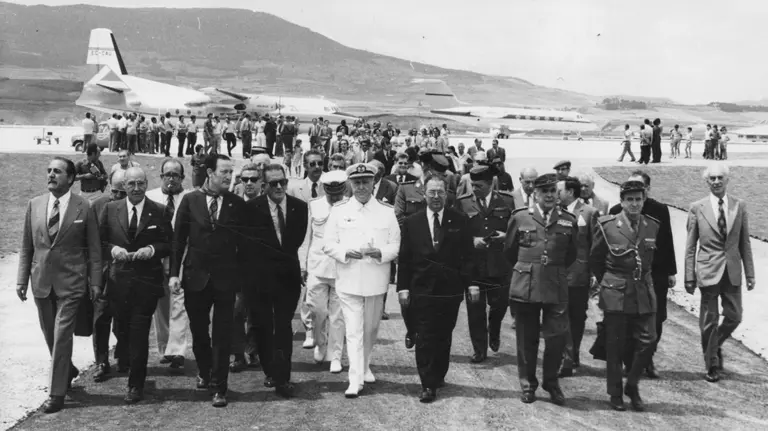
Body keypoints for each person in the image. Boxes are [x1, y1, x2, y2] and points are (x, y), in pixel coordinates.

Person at [16, 157, 103, 413]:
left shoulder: (84, 207)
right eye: (49, 171)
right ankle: (68, 368)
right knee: (50, 335)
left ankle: (57, 394)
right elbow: (26, 247)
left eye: (57, 171)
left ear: (71, 178)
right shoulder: (34, 205)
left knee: (62, 335)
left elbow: (95, 249)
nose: (51, 175)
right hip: (41, 281)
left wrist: (95, 282)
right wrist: (22, 279)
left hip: (71, 283)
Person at [169, 154, 248, 407]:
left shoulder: (237, 203)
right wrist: (173, 274)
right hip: (195, 278)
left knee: (222, 333)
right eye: (224, 171)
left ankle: (219, 387)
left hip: (226, 280)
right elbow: (178, 240)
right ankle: (205, 371)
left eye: (230, 172)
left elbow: (244, 246)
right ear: (210, 173)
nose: (229, 176)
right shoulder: (190, 200)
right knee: (200, 332)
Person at [323, 162, 400, 398]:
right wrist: (345, 253)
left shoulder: (386, 211)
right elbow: (328, 244)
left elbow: (395, 245)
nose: (361, 187)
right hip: (349, 279)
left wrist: (381, 253)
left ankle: (365, 365)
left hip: (376, 279)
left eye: (366, 182)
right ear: (350, 184)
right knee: (354, 331)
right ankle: (354, 380)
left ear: (373, 183)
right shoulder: (339, 210)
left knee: (371, 329)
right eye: (356, 183)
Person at [397, 174, 476, 403]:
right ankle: (427, 384)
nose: (436, 197)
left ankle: (439, 374)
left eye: (440, 192)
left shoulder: (459, 220)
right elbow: (405, 258)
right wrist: (403, 288)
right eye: (431, 192)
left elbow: (468, 257)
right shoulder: (412, 222)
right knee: (425, 336)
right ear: (424, 194)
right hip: (421, 289)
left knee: (444, 335)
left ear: (447, 194)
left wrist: (471, 284)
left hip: (449, 291)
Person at [98, 167, 172, 403]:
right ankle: (126, 358)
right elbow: (98, 242)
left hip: (146, 283)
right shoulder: (110, 210)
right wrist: (113, 250)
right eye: (132, 184)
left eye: (141, 183)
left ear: (146, 183)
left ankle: (135, 385)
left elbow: (168, 243)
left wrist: (151, 250)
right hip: (118, 282)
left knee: (139, 332)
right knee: (122, 330)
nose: (137, 188)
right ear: (124, 187)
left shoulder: (158, 211)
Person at [504, 173, 577, 406]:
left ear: (557, 194)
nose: (548, 195)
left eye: (552, 191)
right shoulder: (520, 217)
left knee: (556, 338)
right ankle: (527, 385)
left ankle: (551, 382)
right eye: (543, 191)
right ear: (535, 193)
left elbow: (571, 255)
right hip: (526, 285)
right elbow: (509, 252)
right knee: (527, 339)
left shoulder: (568, 220)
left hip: (555, 285)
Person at [590, 180, 660, 411]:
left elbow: (650, 262)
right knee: (615, 345)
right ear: (622, 201)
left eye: (638, 199)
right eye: (629, 199)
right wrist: (608, 284)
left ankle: (631, 384)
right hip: (616, 291)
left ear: (644, 200)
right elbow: (596, 259)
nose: (634, 204)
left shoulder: (652, 226)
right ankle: (615, 393)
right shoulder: (607, 225)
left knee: (649, 340)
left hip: (642, 291)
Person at [684, 164, 754, 383]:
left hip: (732, 271)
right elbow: (690, 246)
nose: (716, 181)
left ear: (727, 180)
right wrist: (689, 275)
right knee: (709, 321)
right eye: (712, 178)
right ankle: (712, 364)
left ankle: (714, 346)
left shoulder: (739, 206)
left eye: (720, 178)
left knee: (735, 316)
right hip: (707, 270)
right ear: (707, 182)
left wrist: (750, 273)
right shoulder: (697, 207)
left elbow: (745, 242)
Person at [246, 164, 308, 398]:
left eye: (283, 182)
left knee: (283, 327)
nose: (280, 187)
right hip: (260, 281)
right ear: (264, 185)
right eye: (273, 183)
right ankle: (269, 370)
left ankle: (283, 377)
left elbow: (295, 241)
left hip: (287, 280)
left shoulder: (300, 208)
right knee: (263, 327)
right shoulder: (252, 209)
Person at [607, 170, 676, 377]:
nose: (635, 198)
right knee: (628, 320)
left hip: (655, 273)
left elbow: (667, 241)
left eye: (639, 190)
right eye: (629, 190)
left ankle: (647, 359)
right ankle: (630, 360)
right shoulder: (616, 210)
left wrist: (671, 272)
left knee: (656, 319)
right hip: (627, 276)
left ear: (647, 190)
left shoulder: (660, 210)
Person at [454, 165, 515, 363]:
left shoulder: (507, 201)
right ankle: (479, 349)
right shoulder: (463, 202)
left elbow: (518, 229)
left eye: (479, 185)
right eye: (472, 185)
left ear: (491, 184)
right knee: (475, 309)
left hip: (500, 265)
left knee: (500, 305)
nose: (474, 188)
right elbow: (454, 232)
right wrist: (472, 241)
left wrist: (506, 237)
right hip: (474, 268)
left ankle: (495, 328)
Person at [299, 170, 349, 373]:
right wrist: (303, 265)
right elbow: (306, 238)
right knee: (317, 310)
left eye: (338, 193)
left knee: (338, 316)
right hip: (317, 268)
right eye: (331, 194)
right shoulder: (314, 205)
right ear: (325, 190)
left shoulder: (351, 207)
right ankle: (321, 342)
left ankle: (335, 355)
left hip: (341, 268)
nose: (335, 198)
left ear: (344, 190)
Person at [146, 159, 190, 370]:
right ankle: (165, 348)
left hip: (182, 259)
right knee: (161, 306)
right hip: (157, 258)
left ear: (182, 177)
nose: (171, 179)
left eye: (176, 175)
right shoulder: (150, 198)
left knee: (179, 305)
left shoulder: (190, 199)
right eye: (167, 175)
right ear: (161, 176)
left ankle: (178, 350)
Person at [556, 177, 599, 377]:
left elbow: (595, 246)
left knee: (577, 317)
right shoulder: (555, 211)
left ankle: (572, 354)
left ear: (570, 192)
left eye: (559, 190)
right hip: (557, 274)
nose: (556, 194)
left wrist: (593, 274)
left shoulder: (589, 213)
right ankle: (566, 357)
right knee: (559, 316)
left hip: (579, 275)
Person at [286, 150, 326, 349]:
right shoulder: (296, 188)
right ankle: (309, 329)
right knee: (307, 289)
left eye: (320, 163)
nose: (317, 167)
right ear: (305, 166)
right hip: (301, 242)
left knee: (321, 291)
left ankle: (321, 330)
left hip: (322, 244)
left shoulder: (330, 187)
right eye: (312, 164)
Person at [91, 169, 127, 382]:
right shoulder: (96, 206)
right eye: (115, 191)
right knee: (101, 318)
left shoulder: (136, 207)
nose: (118, 197)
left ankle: (123, 355)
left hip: (127, 275)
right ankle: (101, 361)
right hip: (103, 274)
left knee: (124, 318)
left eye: (123, 193)